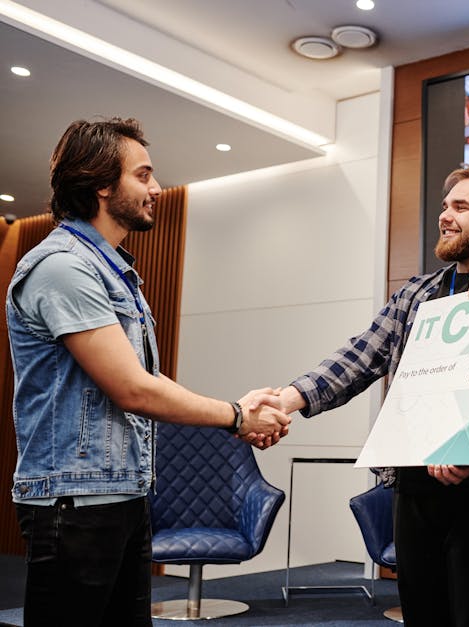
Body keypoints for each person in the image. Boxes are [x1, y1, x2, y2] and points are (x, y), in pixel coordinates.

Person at [8, 118, 291, 626]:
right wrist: (236, 416)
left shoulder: (116, 271)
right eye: (143, 175)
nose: (156, 188)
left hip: (123, 493)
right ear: (100, 184)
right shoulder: (62, 267)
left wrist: (240, 412)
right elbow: (134, 389)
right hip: (76, 503)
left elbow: (144, 386)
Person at [274, 165, 469, 627]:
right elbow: (359, 357)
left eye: (460, 207)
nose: (446, 216)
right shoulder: (416, 294)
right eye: (444, 206)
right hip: (415, 487)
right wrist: (288, 399)